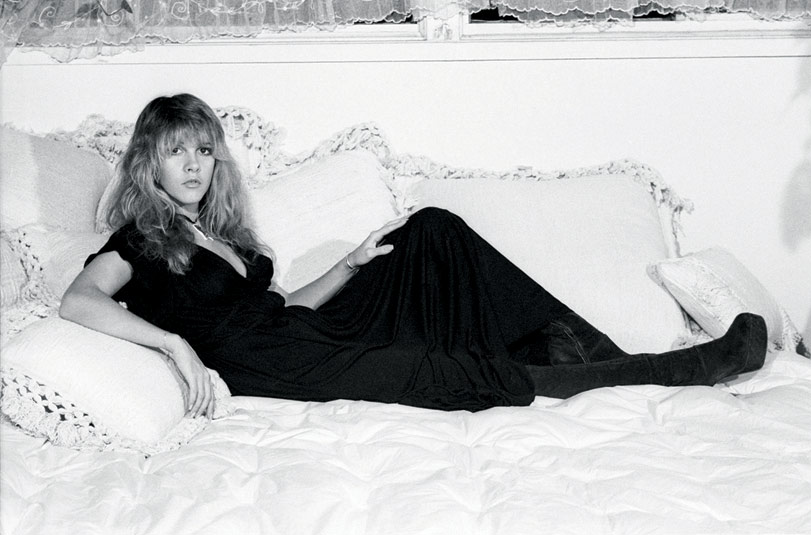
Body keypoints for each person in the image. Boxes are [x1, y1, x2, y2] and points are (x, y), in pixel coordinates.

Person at [59, 93, 768, 420]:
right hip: (269, 365)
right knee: (448, 371)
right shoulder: (142, 240)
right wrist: (174, 344)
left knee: (430, 230)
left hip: (299, 332)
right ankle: (673, 369)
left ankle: (601, 355)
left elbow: (284, 306)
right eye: (176, 151)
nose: (193, 164)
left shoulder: (227, 238)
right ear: (150, 161)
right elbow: (78, 300)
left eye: (203, 149)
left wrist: (353, 263)